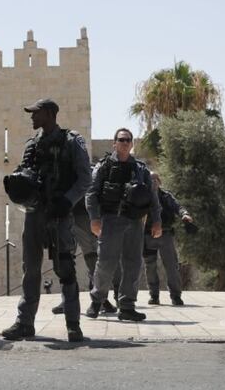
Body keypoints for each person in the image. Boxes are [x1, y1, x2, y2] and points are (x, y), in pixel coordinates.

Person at [1, 98, 92, 342]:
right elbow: (24, 171)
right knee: (30, 269)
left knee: (66, 268)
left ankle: (73, 324)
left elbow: (85, 178)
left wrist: (68, 201)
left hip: (60, 213)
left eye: (36, 113)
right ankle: (24, 323)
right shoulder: (32, 144)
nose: (32, 117)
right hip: (35, 214)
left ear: (50, 114)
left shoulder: (72, 141)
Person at [85, 128, 161, 321]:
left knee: (133, 263)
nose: (125, 143)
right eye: (121, 139)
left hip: (135, 222)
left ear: (132, 143)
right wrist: (94, 219)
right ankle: (97, 301)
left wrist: (156, 221)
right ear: (114, 143)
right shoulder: (104, 166)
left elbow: (152, 196)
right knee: (106, 263)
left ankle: (127, 306)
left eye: (128, 140)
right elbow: (92, 193)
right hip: (111, 220)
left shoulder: (141, 169)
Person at [143, 172, 193, 306]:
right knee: (150, 267)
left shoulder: (166, 196)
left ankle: (176, 296)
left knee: (171, 266)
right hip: (147, 236)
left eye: (155, 180)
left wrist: (185, 215)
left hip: (165, 235)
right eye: (150, 179)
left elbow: (178, 207)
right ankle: (154, 295)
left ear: (160, 182)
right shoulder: (142, 196)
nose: (153, 182)